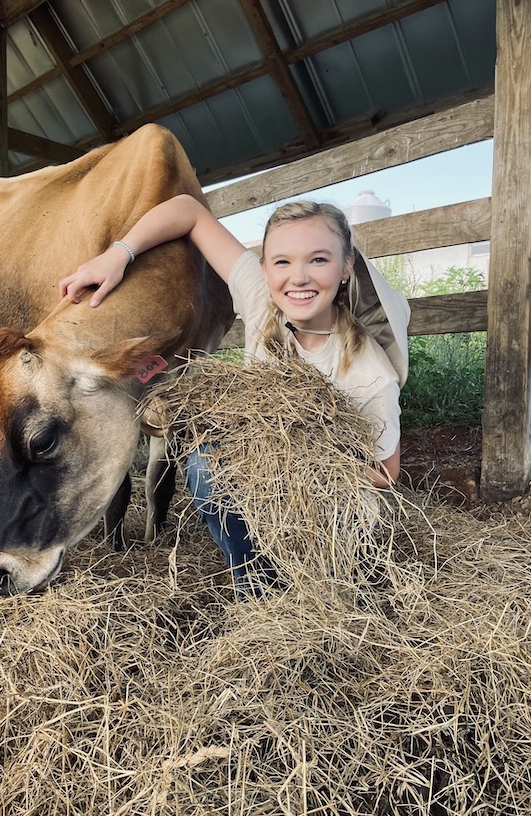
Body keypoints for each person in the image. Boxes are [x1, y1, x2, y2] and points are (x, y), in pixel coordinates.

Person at [59, 195, 410, 595]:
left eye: (319, 260)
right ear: (263, 270)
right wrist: (118, 255)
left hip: (328, 509)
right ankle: (256, 587)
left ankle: (324, 588)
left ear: (346, 266)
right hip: (262, 485)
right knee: (203, 465)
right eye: (282, 262)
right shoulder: (262, 302)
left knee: (335, 579)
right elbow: (188, 211)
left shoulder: (368, 372)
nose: (298, 278)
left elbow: (386, 473)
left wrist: (300, 466)